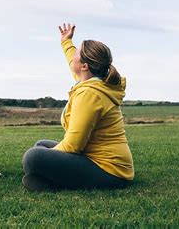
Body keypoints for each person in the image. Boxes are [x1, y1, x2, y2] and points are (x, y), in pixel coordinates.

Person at [21, 23, 134, 191]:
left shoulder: (90, 94)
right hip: (98, 160)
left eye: (77, 53)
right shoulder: (92, 81)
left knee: (33, 157)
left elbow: (74, 145)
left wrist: (48, 159)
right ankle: (47, 179)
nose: (73, 55)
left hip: (110, 172)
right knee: (41, 144)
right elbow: (72, 61)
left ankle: (51, 182)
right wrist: (66, 42)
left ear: (85, 66)